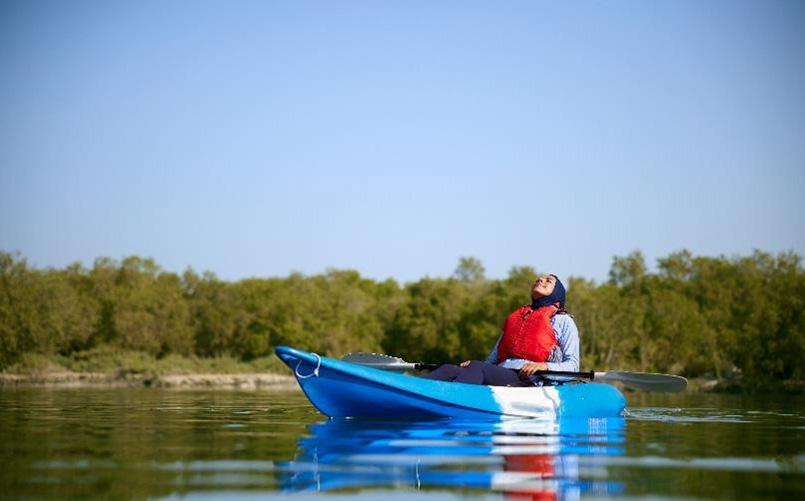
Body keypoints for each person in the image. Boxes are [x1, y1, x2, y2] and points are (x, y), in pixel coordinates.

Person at [421, 274, 579, 386]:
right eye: (539, 279)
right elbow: (492, 359)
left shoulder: (564, 321)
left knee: (477, 367)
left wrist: (545, 366)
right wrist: (473, 367)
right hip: (502, 372)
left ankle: (453, 397)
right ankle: (415, 389)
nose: (540, 280)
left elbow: (572, 366)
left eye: (548, 281)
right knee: (449, 369)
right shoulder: (518, 317)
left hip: (529, 379)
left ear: (558, 293)